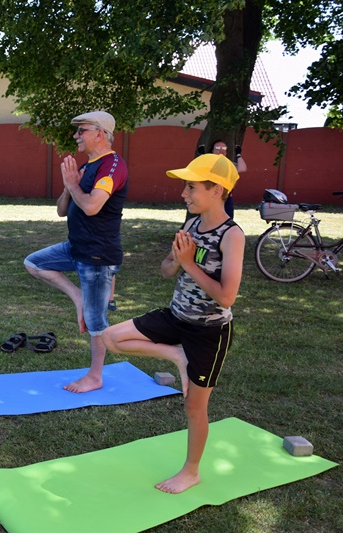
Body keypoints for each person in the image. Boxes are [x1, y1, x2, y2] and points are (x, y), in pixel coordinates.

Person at [103, 153, 244, 494]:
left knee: (194, 407)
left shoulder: (232, 235)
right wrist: (176, 259)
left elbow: (227, 297)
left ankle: (191, 471)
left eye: (192, 187)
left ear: (216, 189)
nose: (184, 193)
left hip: (209, 332)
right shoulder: (192, 225)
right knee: (110, 338)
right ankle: (177, 358)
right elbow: (167, 270)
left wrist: (188, 263)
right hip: (176, 316)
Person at [24, 111, 128, 392]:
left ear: (99, 133)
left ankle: (95, 376)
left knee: (96, 322)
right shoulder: (88, 167)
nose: (76, 136)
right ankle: (77, 295)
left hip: (97, 256)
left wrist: (73, 183)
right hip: (75, 247)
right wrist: (69, 186)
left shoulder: (112, 166)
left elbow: (93, 206)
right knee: (33, 263)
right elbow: (61, 210)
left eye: (81, 130)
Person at [211, 140, 246, 218]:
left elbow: (242, 168)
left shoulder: (229, 164)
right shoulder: (209, 163)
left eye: (223, 148)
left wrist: (238, 154)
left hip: (226, 197)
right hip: (211, 196)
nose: (221, 150)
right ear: (213, 151)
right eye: (217, 148)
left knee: (227, 220)